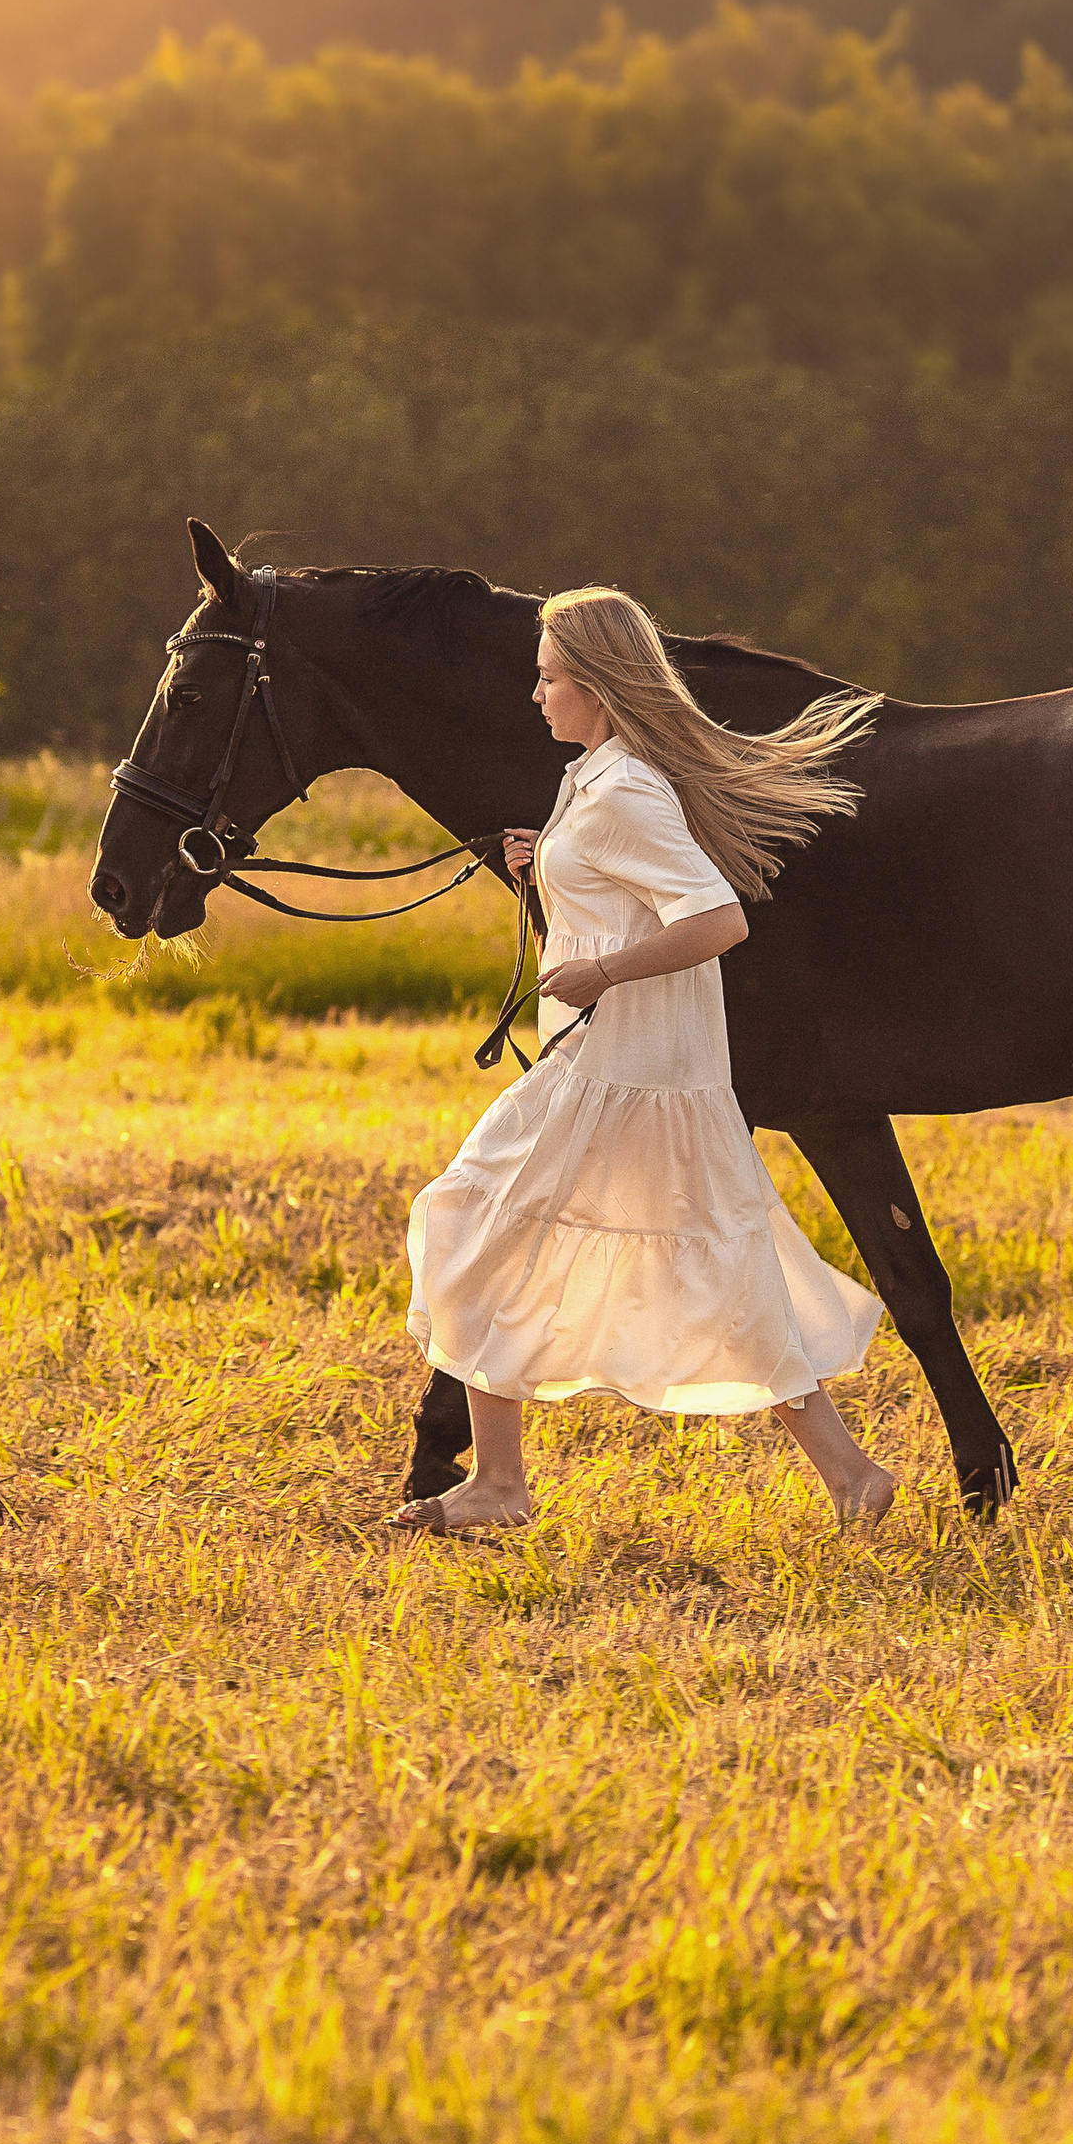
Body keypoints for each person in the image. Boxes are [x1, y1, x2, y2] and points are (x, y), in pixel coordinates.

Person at [396, 586, 896, 1535]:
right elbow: (616, 884)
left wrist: (602, 971)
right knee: (710, 1270)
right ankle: (850, 1476)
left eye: (549, 679)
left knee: (469, 1224)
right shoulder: (594, 778)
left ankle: (499, 1486)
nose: (536, 695)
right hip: (611, 1068)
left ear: (596, 684)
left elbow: (718, 921)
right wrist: (547, 861)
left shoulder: (626, 788)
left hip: (626, 1075)